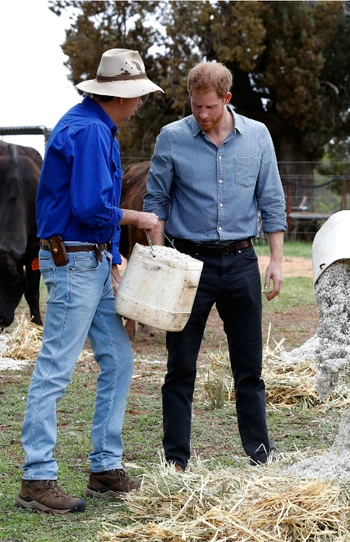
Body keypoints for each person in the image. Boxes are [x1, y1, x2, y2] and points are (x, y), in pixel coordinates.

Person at [16, 49, 163, 514]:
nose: (139, 103)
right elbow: (90, 207)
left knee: (118, 358)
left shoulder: (91, 126)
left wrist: (112, 253)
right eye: (137, 95)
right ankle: (36, 478)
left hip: (91, 260)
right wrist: (137, 216)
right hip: (75, 261)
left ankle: (104, 465)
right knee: (56, 366)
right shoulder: (89, 131)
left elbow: (89, 209)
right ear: (121, 95)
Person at [143, 61, 286, 469]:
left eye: (209, 107)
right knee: (180, 365)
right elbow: (156, 201)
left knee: (249, 366)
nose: (202, 115)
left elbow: (272, 199)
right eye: (195, 106)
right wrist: (159, 257)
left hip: (241, 261)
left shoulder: (258, 136)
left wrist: (276, 259)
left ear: (226, 98)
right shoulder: (171, 138)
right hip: (189, 264)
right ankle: (176, 462)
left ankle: (260, 455)